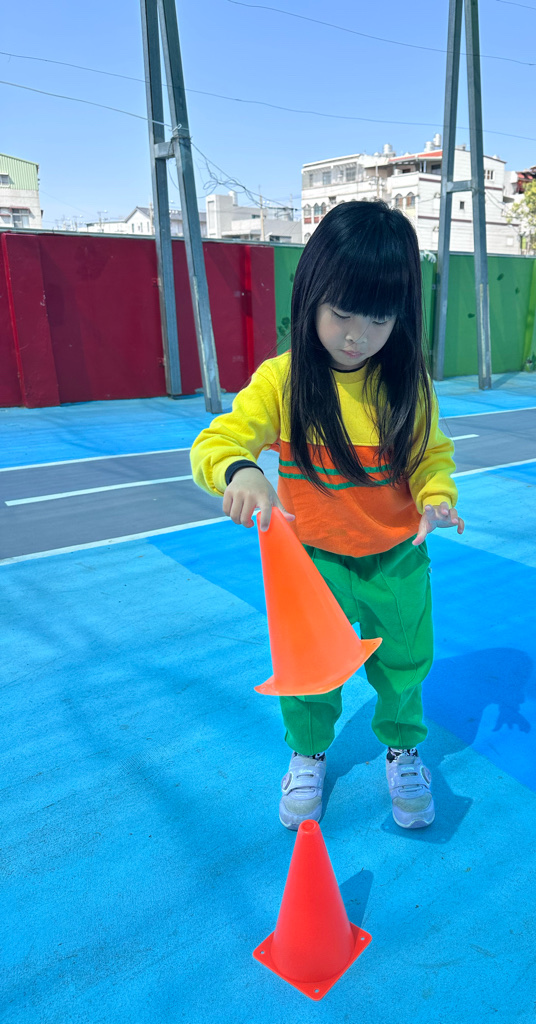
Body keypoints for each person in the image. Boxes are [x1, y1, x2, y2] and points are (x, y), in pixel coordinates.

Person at [190, 200, 464, 831]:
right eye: (341, 313)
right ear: (310, 296)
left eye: (378, 319)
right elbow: (217, 442)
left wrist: (436, 496)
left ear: (401, 316)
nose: (356, 336)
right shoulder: (283, 382)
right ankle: (308, 754)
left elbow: (431, 456)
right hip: (311, 565)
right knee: (309, 672)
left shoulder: (408, 386)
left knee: (405, 666)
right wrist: (241, 471)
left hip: (397, 561)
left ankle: (403, 750)